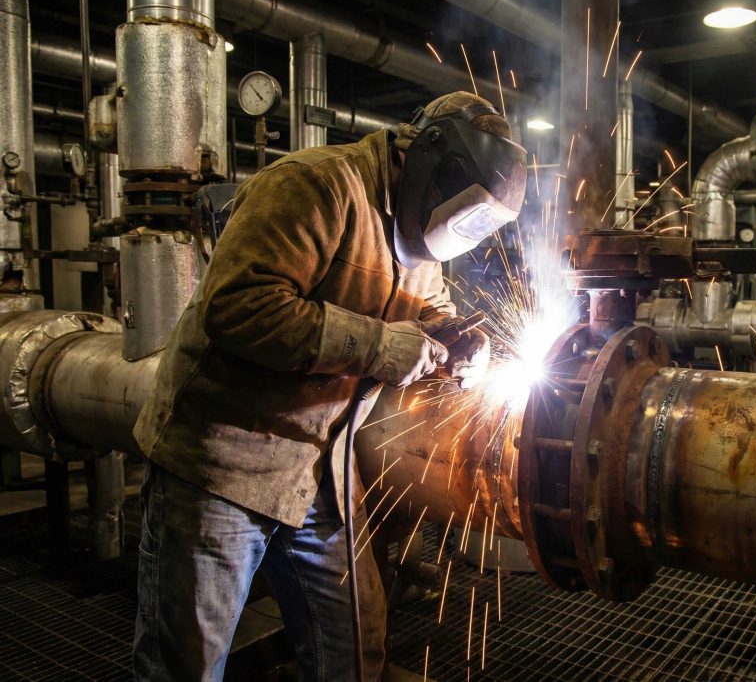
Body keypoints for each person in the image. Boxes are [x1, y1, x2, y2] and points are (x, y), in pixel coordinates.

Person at [131, 91, 527, 681]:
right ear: (423, 159)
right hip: (221, 466)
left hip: (321, 471)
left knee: (354, 652)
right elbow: (238, 307)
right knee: (185, 667)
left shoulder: (421, 232)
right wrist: (377, 345)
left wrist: (459, 339)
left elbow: (431, 304)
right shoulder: (314, 187)